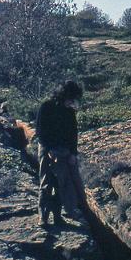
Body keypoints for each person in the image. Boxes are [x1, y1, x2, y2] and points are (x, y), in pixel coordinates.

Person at [35, 80, 86, 227]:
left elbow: (73, 134)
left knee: (61, 183)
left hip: (63, 151)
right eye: (71, 98)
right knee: (46, 182)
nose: (73, 101)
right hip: (46, 148)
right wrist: (49, 150)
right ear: (64, 95)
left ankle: (58, 217)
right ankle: (43, 217)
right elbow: (40, 132)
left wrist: (73, 154)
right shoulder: (46, 107)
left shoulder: (69, 112)